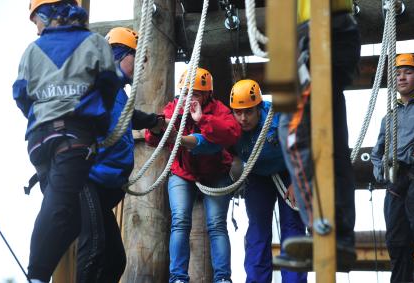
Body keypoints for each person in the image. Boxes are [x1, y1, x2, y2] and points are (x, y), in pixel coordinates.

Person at [12, 1, 120, 282]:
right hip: (74, 138)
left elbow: (21, 94)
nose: (36, 26)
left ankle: (38, 272)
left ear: (47, 13)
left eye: (35, 18)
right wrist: (96, 119)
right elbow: (108, 85)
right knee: (61, 207)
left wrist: (43, 115)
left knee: (67, 214)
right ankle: (36, 275)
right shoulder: (95, 43)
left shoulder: (31, 51)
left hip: (39, 142)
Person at [275, 0, 361, 268]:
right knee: (332, 139)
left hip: (316, 28)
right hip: (329, 27)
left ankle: (321, 226)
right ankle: (342, 232)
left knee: (292, 131)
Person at [76, 27, 164, 282]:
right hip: (86, 179)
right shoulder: (96, 82)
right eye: (136, 58)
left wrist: (154, 121)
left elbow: (128, 116)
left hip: (103, 186)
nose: (140, 66)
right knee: (93, 249)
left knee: (114, 260)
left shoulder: (117, 92)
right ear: (120, 54)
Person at [144, 67, 241, 283]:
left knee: (216, 224)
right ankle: (178, 278)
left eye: (195, 93)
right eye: (186, 92)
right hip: (183, 172)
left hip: (216, 173)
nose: (189, 98)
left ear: (207, 94)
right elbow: (152, 139)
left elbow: (231, 134)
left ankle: (223, 279)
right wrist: (160, 128)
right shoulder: (174, 108)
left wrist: (202, 119)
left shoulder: (218, 110)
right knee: (179, 221)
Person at [230, 80, 307, 282]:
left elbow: (304, 145)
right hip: (257, 175)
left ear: (259, 107)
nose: (243, 118)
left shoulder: (279, 117)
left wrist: (298, 181)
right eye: (238, 112)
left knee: (293, 228)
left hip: (288, 171)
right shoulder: (230, 125)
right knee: (257, 230)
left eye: (248, 112)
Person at [371, 53, 414, 283]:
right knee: (397, 244)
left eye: (408, 72)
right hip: (395, 186)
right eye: (398, 73)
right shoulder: (388, 118)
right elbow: (377, 154)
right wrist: (382, 171)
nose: (402, 77)